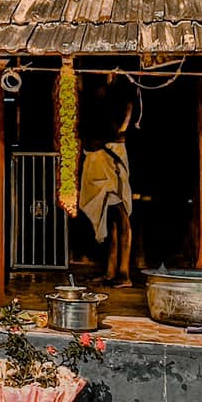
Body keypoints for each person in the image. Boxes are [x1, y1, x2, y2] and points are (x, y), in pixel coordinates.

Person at [79, 98, 134, 284]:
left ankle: (124, 274)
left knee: (122, 221)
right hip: (102, 168)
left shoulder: (117, 140)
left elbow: (128, 110)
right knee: (111, 224)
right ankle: (111, 272)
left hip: (112, 172)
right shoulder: (103, 133)